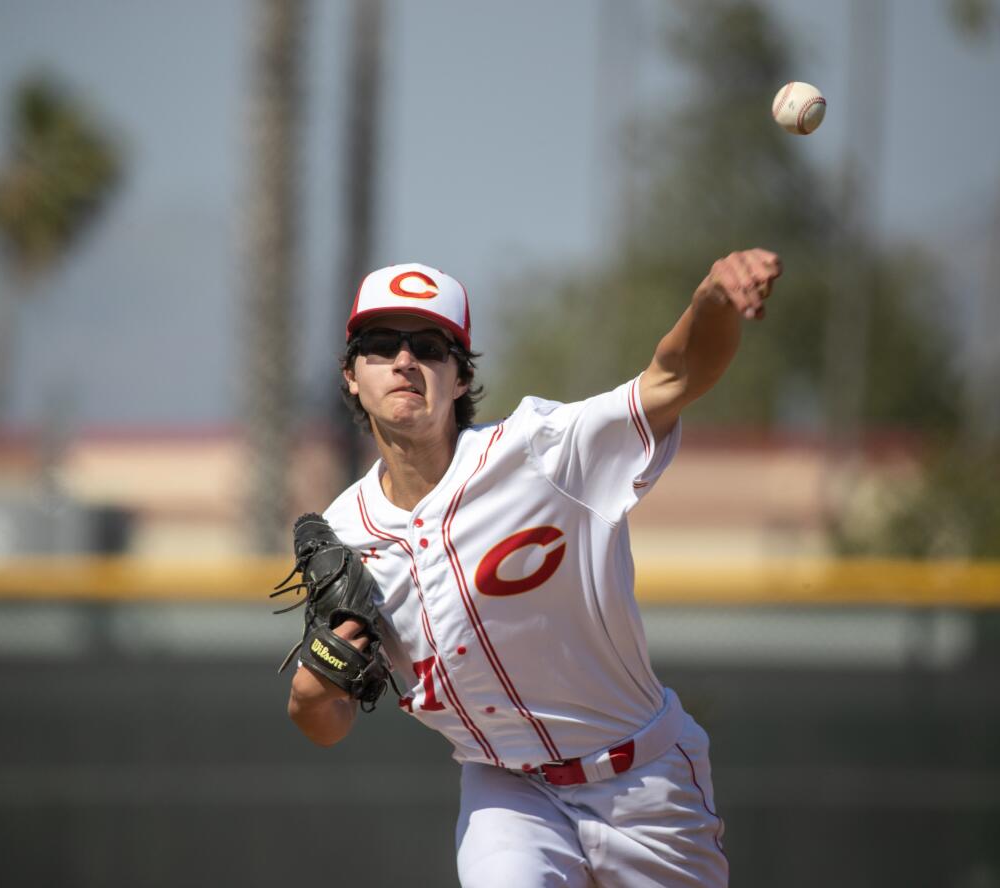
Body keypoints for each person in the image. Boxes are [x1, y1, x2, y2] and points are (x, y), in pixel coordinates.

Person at [287, 251, 781, 887]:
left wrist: (712, 298)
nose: (406, 361)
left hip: (644, 782)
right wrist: (310, 693)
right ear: (351, 376)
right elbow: (325, 724)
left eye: (430, 346)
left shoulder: (541, 452)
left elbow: (674, 377)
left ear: (460, 378)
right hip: (507, 792)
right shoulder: (347, 533)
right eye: (381, 345)